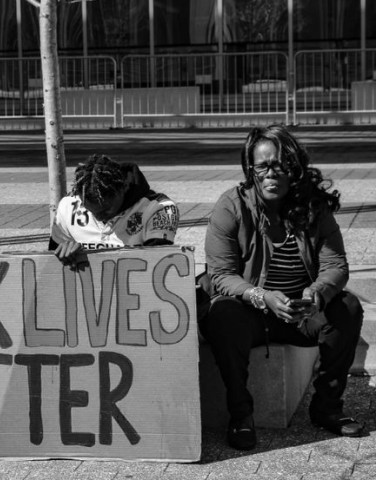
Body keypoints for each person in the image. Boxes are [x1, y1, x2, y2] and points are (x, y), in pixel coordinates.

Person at [200, 125, 364, 451]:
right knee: (221, 314)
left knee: (347, 307)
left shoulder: (313, 207)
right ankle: (241, 415)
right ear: (251, 171)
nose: (270, 174)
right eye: (261, 167)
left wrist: (314, 295)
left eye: (279, 165)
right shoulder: (231, 206)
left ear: (294, 167)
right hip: (252, 312)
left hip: (300, 313)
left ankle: (327, 407)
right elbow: (219, 273)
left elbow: (336, 266)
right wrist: (261, 297)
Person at [48, 154, 179, 264]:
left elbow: (157, 263)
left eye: (106, 210)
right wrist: (63, 252)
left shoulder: (160, 208)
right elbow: (49, 262)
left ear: (123, 188)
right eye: (91, 211)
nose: (99, 217)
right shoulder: (68, 205)